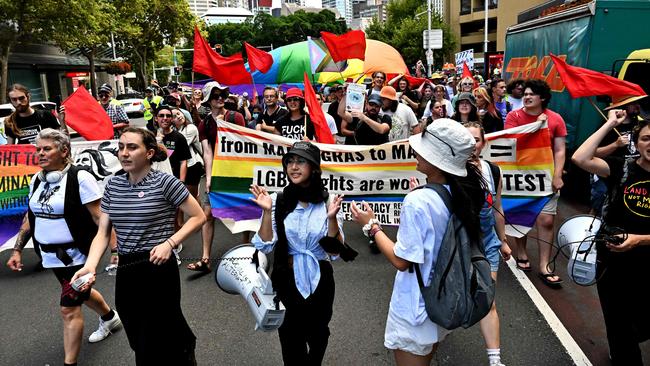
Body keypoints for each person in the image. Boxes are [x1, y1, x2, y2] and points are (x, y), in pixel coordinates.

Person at [349, 119, 484, 366]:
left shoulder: (419, 201)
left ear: (437, 159)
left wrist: (371, 225)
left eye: (423, 148)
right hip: (443, 297)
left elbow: (402, 260)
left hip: (417, 305)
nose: (416, 152)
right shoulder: (459, 192)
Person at [72, 127, 206, 365]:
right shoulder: (113, 185)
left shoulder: (165, 183)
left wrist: (170, 243)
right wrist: (90, 267)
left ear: (149, 153)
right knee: (136, 331)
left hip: (158, 265)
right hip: (127, 267)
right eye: (121, 147)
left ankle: (185, 354)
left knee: (165, 330)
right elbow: (103, 232)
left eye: (132, 147)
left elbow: (198, 216)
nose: (124, 153)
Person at [6, 128, 121, 366]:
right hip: (50, 256)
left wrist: (114, 250)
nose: (40, 154)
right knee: (83, 293)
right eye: (38, 149)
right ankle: (110, 318)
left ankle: (70, 363)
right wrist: (17, 249)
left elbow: (101, 218)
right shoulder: (37, 179)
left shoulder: (81, 178)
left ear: (64, 150)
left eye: (46, 149)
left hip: (78, 256)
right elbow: (30, 216)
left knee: (68, 309)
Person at [250, 141, 346, 365]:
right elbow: (264, 245)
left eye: (301, 161)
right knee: (291, 339)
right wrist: (266, 213)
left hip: (319, 281)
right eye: (290, 162)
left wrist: (331, 219)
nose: (294, 167)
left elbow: (334, 253)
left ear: (314, 168)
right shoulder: (277, 200)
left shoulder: (328, 201)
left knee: (319, 334)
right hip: (287, 281)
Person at [571, 110, 650, 366]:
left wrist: (639, 239)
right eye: (647, 139)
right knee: (618, 322)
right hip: (613, 258)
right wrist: (610, 124)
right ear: (636, 143)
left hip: (646, 257)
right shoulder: (621, 167)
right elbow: (580, 157)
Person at [504, 79, 566, 287]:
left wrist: (557, 174)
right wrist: (535, 127)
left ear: (543, 98)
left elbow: (559, 150)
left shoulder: (555, 119)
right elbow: (511, 143)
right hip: (518, 177)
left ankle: (544, 265)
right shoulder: (514, 116)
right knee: (520, 218)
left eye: (532, 94)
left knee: (546, 220)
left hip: (545, 177)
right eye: (525, 94)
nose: (527, 97)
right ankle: (521, 253)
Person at [465, 122, 511, 366]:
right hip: (458, 245)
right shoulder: (448, 170)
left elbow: (497, 209)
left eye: (476, 139)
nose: (472, 144)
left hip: (487, 244)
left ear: (484, 143)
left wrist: (503, 241)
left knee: (487, 298)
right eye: (467, 139)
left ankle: (495, 361)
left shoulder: (494, 171)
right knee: (452, 295)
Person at [190, 81, 244, 272]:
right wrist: (210, 177)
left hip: (238, 172)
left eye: (222, 94)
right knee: (207, 215)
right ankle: (205, 259)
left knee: (242, 213)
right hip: (218, 172)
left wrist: (223, 125)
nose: (220, 98)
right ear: (208, 101)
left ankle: (247, 252)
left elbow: (243, 144)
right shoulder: (204, 124)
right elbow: (207, 151)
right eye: (215, 96)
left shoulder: (236, 117)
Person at [590, 95, 646, 216]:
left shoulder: (640, 125)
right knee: (599, 202)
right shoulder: (609, 125)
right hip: (607, 171)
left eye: (639, 103)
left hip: (629, 174)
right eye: (633, 103)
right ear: (624, 104)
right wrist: (615, 145)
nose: (638, 106)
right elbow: (593, 153)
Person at [172, 107, 203, 199]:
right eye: (174, 116)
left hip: (192, 165)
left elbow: (178, 147)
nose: (178, 116)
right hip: (179, 167)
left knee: (191, 198)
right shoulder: (174, 130)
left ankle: (198, 213)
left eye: (178, 113)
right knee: (181, 199)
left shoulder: (190, 128)